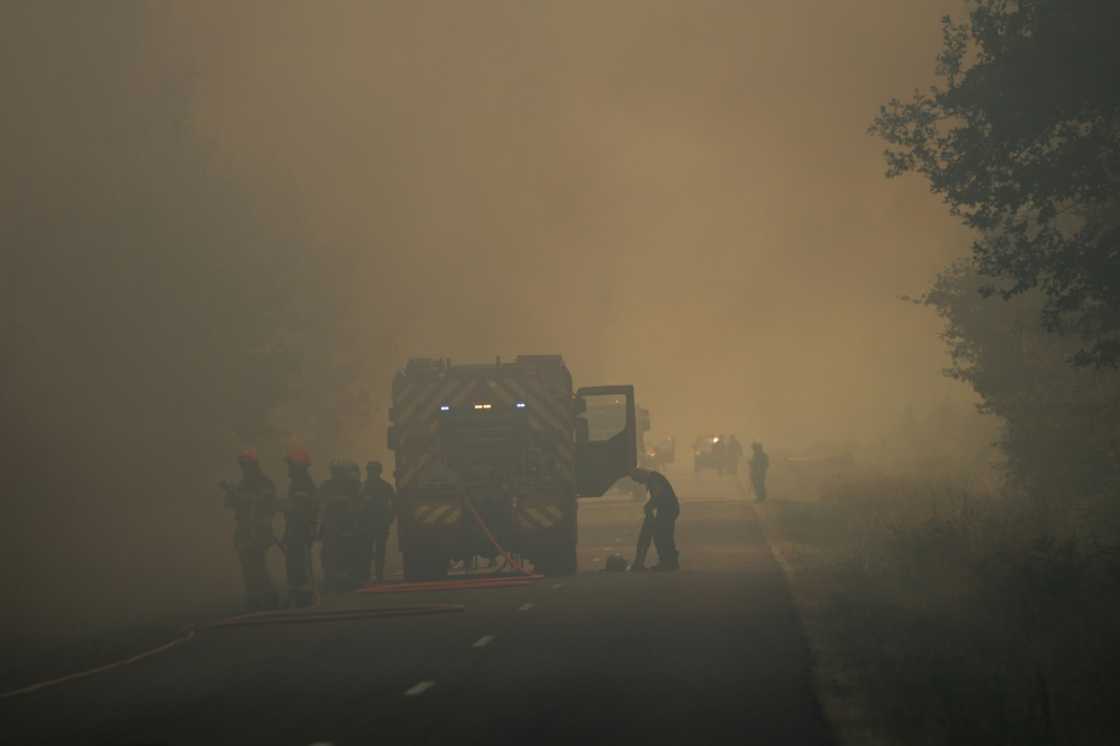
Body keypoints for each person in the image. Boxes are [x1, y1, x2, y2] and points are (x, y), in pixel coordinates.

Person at [222, 449, 279, 611]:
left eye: (247, 466)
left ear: (254, 466)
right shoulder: (242, 485)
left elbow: (268, 505)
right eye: (243, 466)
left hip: (259, 533)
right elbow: (231, 505)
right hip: (245, 533)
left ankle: (270, 600)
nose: (244, 469)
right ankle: (254, 602)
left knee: (258, 567)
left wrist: (240, 497)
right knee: (247, 568)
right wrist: (231, 493)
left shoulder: (265, 483)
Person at [318, 460, 365, 592]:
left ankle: (342, 580)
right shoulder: (334, 486)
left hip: (342, 529)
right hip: (336, 529)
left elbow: (357, 506)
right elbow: (320, 507)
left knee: (341, 555)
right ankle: (337, 579)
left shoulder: (348, 486)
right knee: (332, 555)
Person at [280, 448, 318, 608]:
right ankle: (298, 596)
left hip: (300, 531)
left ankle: (304, 599)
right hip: (295, 531)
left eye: (291, 465)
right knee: (294, 564)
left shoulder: (302, 484)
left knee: (299, 565)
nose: (288, 469)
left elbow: (300, 511)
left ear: (298, 466)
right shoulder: (298, 483)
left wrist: (283, 506)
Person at [629, 468, 680, 571]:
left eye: (637, 479)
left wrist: (649, 506)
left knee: (662, 536)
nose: (639, 483)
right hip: (667, 509)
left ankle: (668, 563)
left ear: (641, 474)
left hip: (668, 509)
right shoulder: (653, 478)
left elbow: (658, 495)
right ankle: (669, 562)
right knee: (664, 536)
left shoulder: (654, 479)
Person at [361, 461, 397, 584]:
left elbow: (394, 504)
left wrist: (390, 517)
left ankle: (376, 575)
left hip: (378, 523)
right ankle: (370, 574)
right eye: (370, 471)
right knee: (368, 550)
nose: (371, 473)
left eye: (373, 471)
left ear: (378, 472)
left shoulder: (366, 487)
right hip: (370, 523)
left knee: (376, 550)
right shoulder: (364, 487)